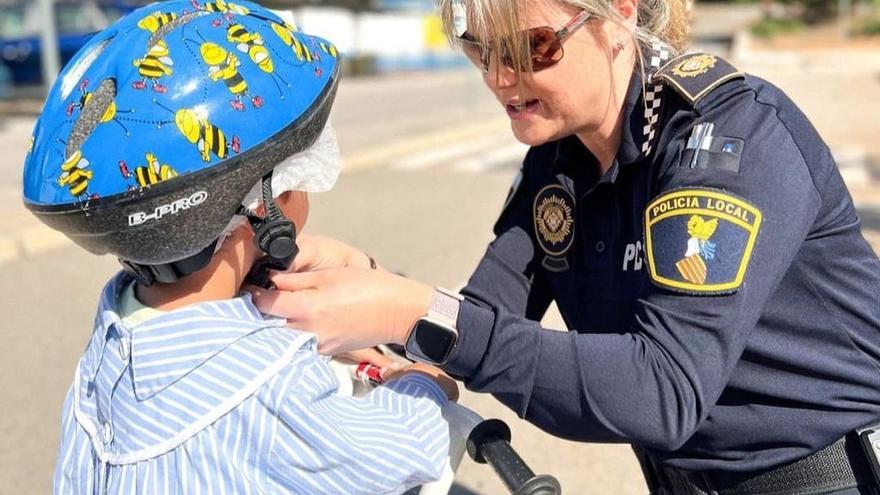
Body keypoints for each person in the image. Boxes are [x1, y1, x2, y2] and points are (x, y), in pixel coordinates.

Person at [249, 0, 880, 493]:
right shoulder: (558, 160)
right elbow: (486, 317)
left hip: (835, 474)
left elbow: (661, 392)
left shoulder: (730, 140)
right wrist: (365, 280)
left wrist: (409, 313)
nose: (500, 77)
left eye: (532, 46)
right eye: (479, 49)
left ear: (618, 18)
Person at [24, 2, 458, 493]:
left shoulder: (108, 343)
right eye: (301, 172)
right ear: (263, 205)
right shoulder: (273, 391)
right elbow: (406, 450)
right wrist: (424, 382)